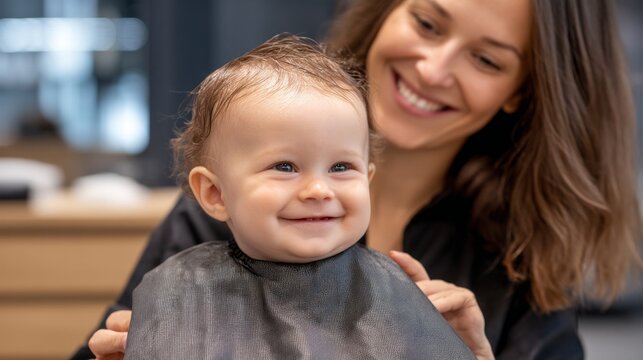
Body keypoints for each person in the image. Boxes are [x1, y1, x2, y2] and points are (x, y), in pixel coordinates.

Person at [72, 0, 642, 359]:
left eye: (486, 60)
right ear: (214, 193)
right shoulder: (218, 217)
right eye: (426, 22)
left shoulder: (528, 252)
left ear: (521, 88)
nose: (433, 70)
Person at [121, 34, 476, 359]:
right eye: (285, 167)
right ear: (215, 194)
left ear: (367, 179)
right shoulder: (180, 291)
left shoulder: (397, 296)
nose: (319, 190)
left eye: (340, 167)